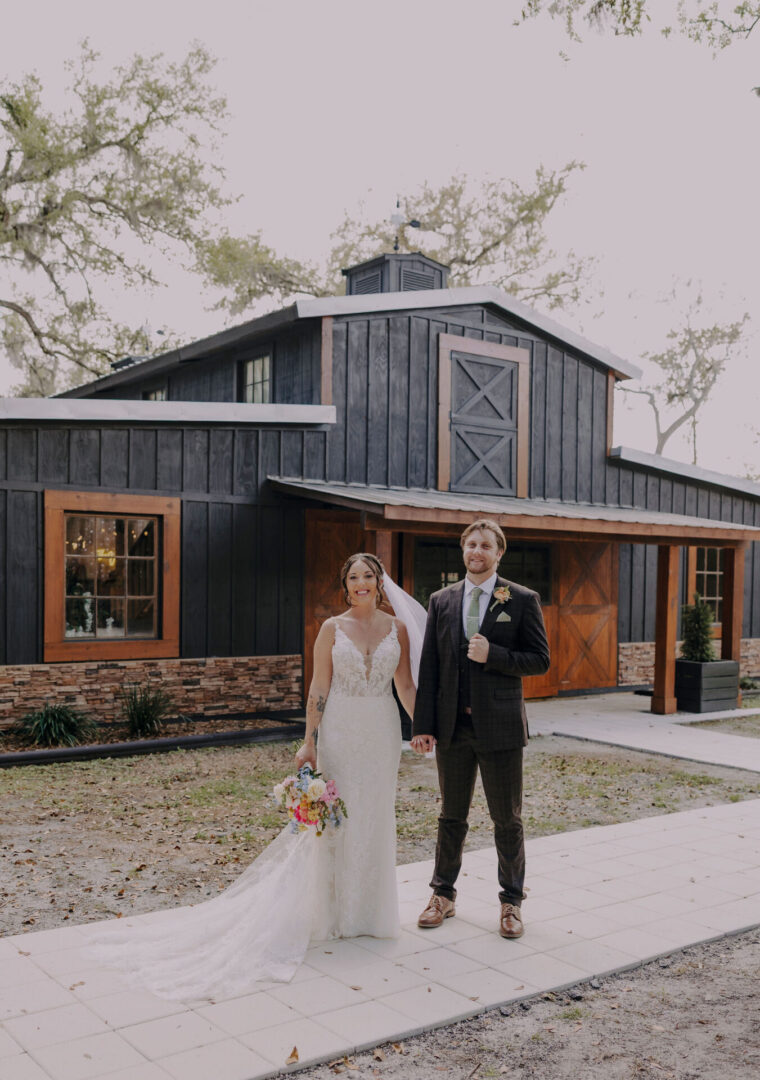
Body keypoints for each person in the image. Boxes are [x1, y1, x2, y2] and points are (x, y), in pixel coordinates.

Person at [88, 553, 417, 1001]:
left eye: (369, 577)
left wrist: (428, 728)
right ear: (346, 585)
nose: (362, 584)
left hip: (381, 733)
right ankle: (331, 914)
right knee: (334, 822)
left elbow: (405, 686)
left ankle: (369, 915)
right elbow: (319, 687)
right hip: (340, 732)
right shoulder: (330, 629)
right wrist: (309, 741)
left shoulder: (396, 629)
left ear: (381, 582)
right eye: (354, 578)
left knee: (375, 817)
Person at [411, 519, 550, 940]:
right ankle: (443, 895)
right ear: (463, 549)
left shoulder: (522, 599)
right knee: (450, 816)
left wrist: (495, 654)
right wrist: (423, 726)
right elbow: (430, 667)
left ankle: (511, 903)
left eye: (485, 545)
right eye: (471, 544)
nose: (477, 551)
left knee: (506, 819)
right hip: (453, 729)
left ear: (498, 552)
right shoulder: (441, 600)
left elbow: (539, 660)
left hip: (501, 728)